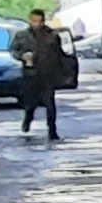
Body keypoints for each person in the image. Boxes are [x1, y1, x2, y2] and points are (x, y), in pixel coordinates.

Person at [10, 8, 74, 141]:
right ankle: (28, 119)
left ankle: (52, 130)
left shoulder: (51, 35)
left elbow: (60, 54)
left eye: (40, 21)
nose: (37, 24)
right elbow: (13, 50)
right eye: (35, 21)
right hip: (31, 74)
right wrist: (22, 56)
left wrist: (66, 73)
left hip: (47, 74)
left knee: (50, 104)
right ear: (30, 20)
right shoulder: (22, 35)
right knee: (31, 103)